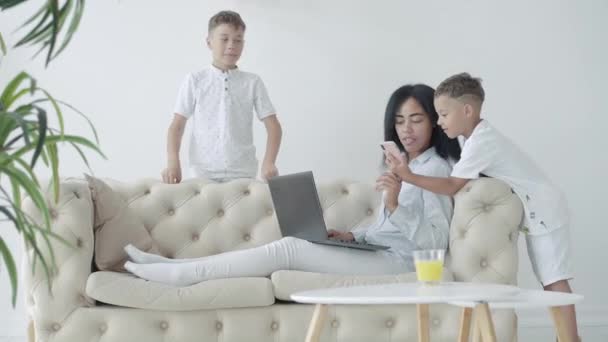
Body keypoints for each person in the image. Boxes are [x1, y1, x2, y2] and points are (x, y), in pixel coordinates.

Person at [126, 84, 461, 288]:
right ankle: (173, 266)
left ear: (435, 120)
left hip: (403, 265)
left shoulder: (434, 170)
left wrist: (393, 205)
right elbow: (391, 232)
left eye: (416, 119)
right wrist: (355, 237)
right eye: (400, 121)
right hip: (383, 253)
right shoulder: (408, 166)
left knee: (288, 249)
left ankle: (184, 274)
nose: (407, 129)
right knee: (291, 244)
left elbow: (434, 241)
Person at [386, 73, 579, 341]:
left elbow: (453, 184)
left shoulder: (481, 142)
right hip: (538, 211)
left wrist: (408, 176)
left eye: (443, 114)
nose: (439, 121)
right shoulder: (473, 139)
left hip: (546, 210)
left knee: (553, 278)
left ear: (467, 110)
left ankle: (570, 339)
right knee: (549, 279)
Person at [161, 10, 282, 184]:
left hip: (243, 174)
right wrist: (173, 163)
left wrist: (269, 162)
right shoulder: (195, 80)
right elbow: (177, 126)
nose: (232, 45)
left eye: (238, 40)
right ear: (209, 42)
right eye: (224, 39)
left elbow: (274, 126)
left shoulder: (252, 82)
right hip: (203, 174)